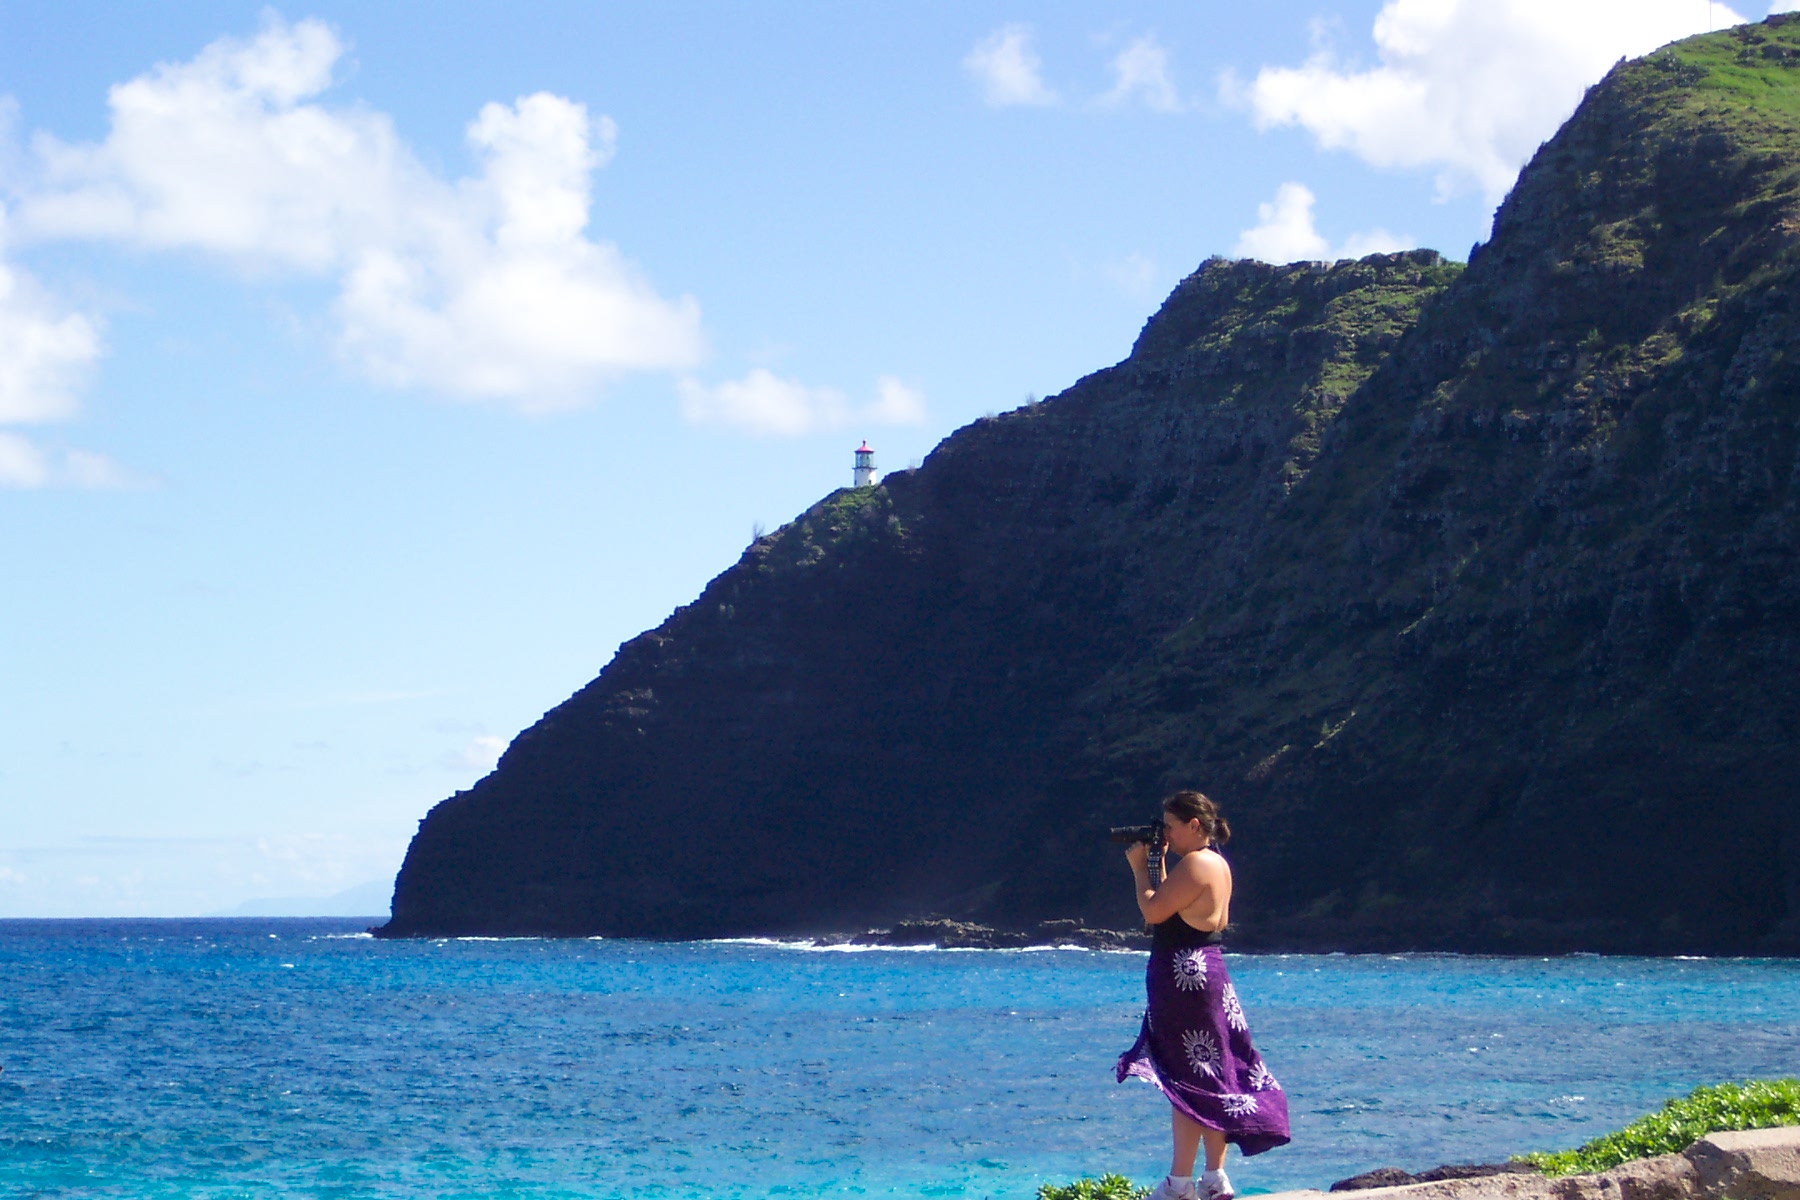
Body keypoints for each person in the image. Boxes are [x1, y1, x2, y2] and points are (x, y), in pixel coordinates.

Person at [1116, 790, 1290, 1200]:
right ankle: (1214, 1178)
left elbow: (1154, 912)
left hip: (1182, 977)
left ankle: (1179, 1184)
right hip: (1210, 972)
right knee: (1216, 1073)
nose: (1168, 836)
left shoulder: (1195, 863)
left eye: (1172, 827)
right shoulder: (1219, 865)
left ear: (1195, 825)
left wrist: (1141, 869)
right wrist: (1159, 862)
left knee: (1187, 1078)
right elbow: (1217, 920)